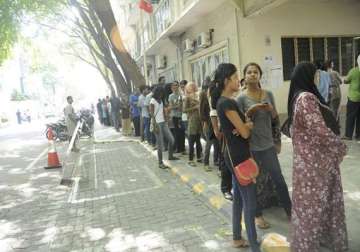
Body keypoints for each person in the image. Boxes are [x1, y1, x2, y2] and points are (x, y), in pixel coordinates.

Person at [287, 62, 348, 252]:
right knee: (313, 207)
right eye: (315, 75)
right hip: (316, 165)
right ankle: (308, 245)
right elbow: (320, 130)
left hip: (308, 163)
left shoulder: (297, 97)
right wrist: (340, 146)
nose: (317, 78)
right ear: (308, 76)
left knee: (312, 205)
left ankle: (317, 241)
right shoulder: (306, 98)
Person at [211, 63, 259, 251]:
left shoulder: (222, 102)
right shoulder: (228, 102)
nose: (238, 80)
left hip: (232, 155)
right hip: (239, 156)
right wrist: (247, 126)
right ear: (226, 81)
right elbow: (245, 132)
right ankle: (254, 245)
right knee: (250, 201)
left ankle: (237, 238)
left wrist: (243, 127)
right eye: (235, 77)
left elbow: (237, 129)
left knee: (239, 198)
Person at [237, 63, 291, 229]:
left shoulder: (268, 94)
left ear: (260, 75)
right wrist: (252, 110)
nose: (253, 74)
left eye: (255, 72)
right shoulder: (241, 98)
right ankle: (257, 215)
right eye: (249, 72)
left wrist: (278, 141)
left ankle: (291, 211)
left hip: (268, 145)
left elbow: (275, 118)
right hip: (251, 147)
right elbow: (240, 123)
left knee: (279, 179)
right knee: (254, 182)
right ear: (245, 76)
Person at [208, 86, 233, 201]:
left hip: (233, 135)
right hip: (225, 137)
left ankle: (231, 187)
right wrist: (219, 132)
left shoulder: (230, 101)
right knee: (225, 162)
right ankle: (225, 189)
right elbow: (216, 130)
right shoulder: (216, 107)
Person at [150, 86, 179, 169]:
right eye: (160, 93)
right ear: (157, 92)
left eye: (162, 93)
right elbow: (151, 114)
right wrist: (155, 124)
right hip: (157, 123)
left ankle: (170, 156)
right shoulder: (153, 100)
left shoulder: (161, 100)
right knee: (160, 145)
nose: (161, 94)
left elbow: (163, 110)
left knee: (171, 139)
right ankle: (160, 162)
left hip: (163, 122)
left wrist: (166, 118)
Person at [199, 83, 218, 172]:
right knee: (209, 144)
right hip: (208, 125)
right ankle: (206, 163)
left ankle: (215, 160)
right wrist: (205, 124)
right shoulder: (205, 99)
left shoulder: (214, 99)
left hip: (214, 124)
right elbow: (202, 113)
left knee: (216, 143)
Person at [183, 82, 203, 166]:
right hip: (192, 120)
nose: (193, 87)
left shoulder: (198, 95)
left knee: (198, 140)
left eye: (194, 86)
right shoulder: (187, 98)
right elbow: (184, 110)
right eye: (191, 86)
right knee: (191, 140)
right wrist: (195, 107)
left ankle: (199, 157)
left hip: (199, 120)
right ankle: (190, 159)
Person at [343, 54, 360, 140]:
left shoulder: (353, 71)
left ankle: (348, 135)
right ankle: (358, 135)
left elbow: (345, 81)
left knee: (350, 117)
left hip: (353, 98)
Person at [169, 81, 185, 154]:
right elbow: (171, 106)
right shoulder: (171, 96)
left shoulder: (181, 95)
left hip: (181, 116)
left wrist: (177, 106)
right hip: (175, 116)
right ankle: (177, 148)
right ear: (172, 87)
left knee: (182, 132)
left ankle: (183, 148)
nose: (175, 86)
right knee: (176, 133)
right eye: (174, 85)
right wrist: (177, 106)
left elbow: (181, 106)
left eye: (176, 85)